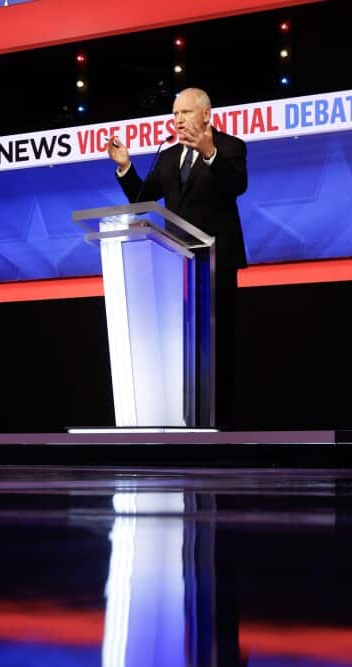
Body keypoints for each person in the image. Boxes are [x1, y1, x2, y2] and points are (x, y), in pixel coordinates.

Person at [107, 88, 248, 427]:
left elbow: (237, 185)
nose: (179, 119)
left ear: (206, 115)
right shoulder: (169, 157)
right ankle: (190, 421)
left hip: (217, 262)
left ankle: (222, 422)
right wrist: (126, 167)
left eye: (185, 112)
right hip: (178, 265)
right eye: (175, 114)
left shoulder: (230, 147)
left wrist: (209, 152)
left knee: (219, 345)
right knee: (186, 347)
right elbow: (142, 198)